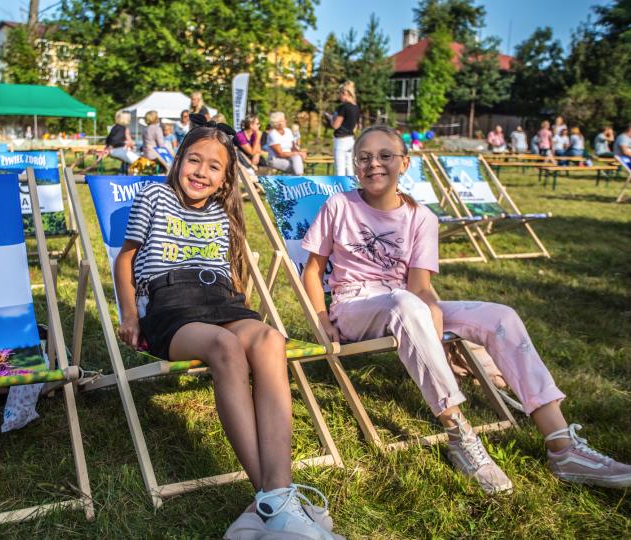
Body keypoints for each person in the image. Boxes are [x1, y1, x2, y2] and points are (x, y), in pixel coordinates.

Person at [300, 124, 631, 495]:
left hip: (406, 300)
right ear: (355, 166)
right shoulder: (340, 205)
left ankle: (562, 446)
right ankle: (459, 432)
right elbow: (312, 271)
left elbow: (420, 287)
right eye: (364, 158)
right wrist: (321, 318)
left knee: (500, 316)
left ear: (405, 163)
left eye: (385, 156)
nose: (373, 163)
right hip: (355, 306)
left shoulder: (421, 217)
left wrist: (434, 318)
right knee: (406, 306)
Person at [115, 124, 340, 539]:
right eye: (194, 160)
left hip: (219, 299)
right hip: (170, 306)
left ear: (225, 178)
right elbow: (125, 259)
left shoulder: (221, 213)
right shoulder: (154, 196)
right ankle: (276, 500)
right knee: (225, 346)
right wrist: (130, 314)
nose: (201, 172)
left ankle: (273, 498)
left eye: (214, 166)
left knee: (270, 339)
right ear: (178, 160)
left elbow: (226, 274)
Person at [325, 81, 361, 176]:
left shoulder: (343, 107)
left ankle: (341, 186)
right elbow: (356, 126)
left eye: (339, 94)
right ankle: (351, 186)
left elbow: (335, 125)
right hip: (350, 140)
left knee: (339, 169)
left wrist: (331, 119)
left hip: (341, 140)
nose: (339, 96)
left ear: (344, 93)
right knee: (349, 168)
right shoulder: (356, 107)